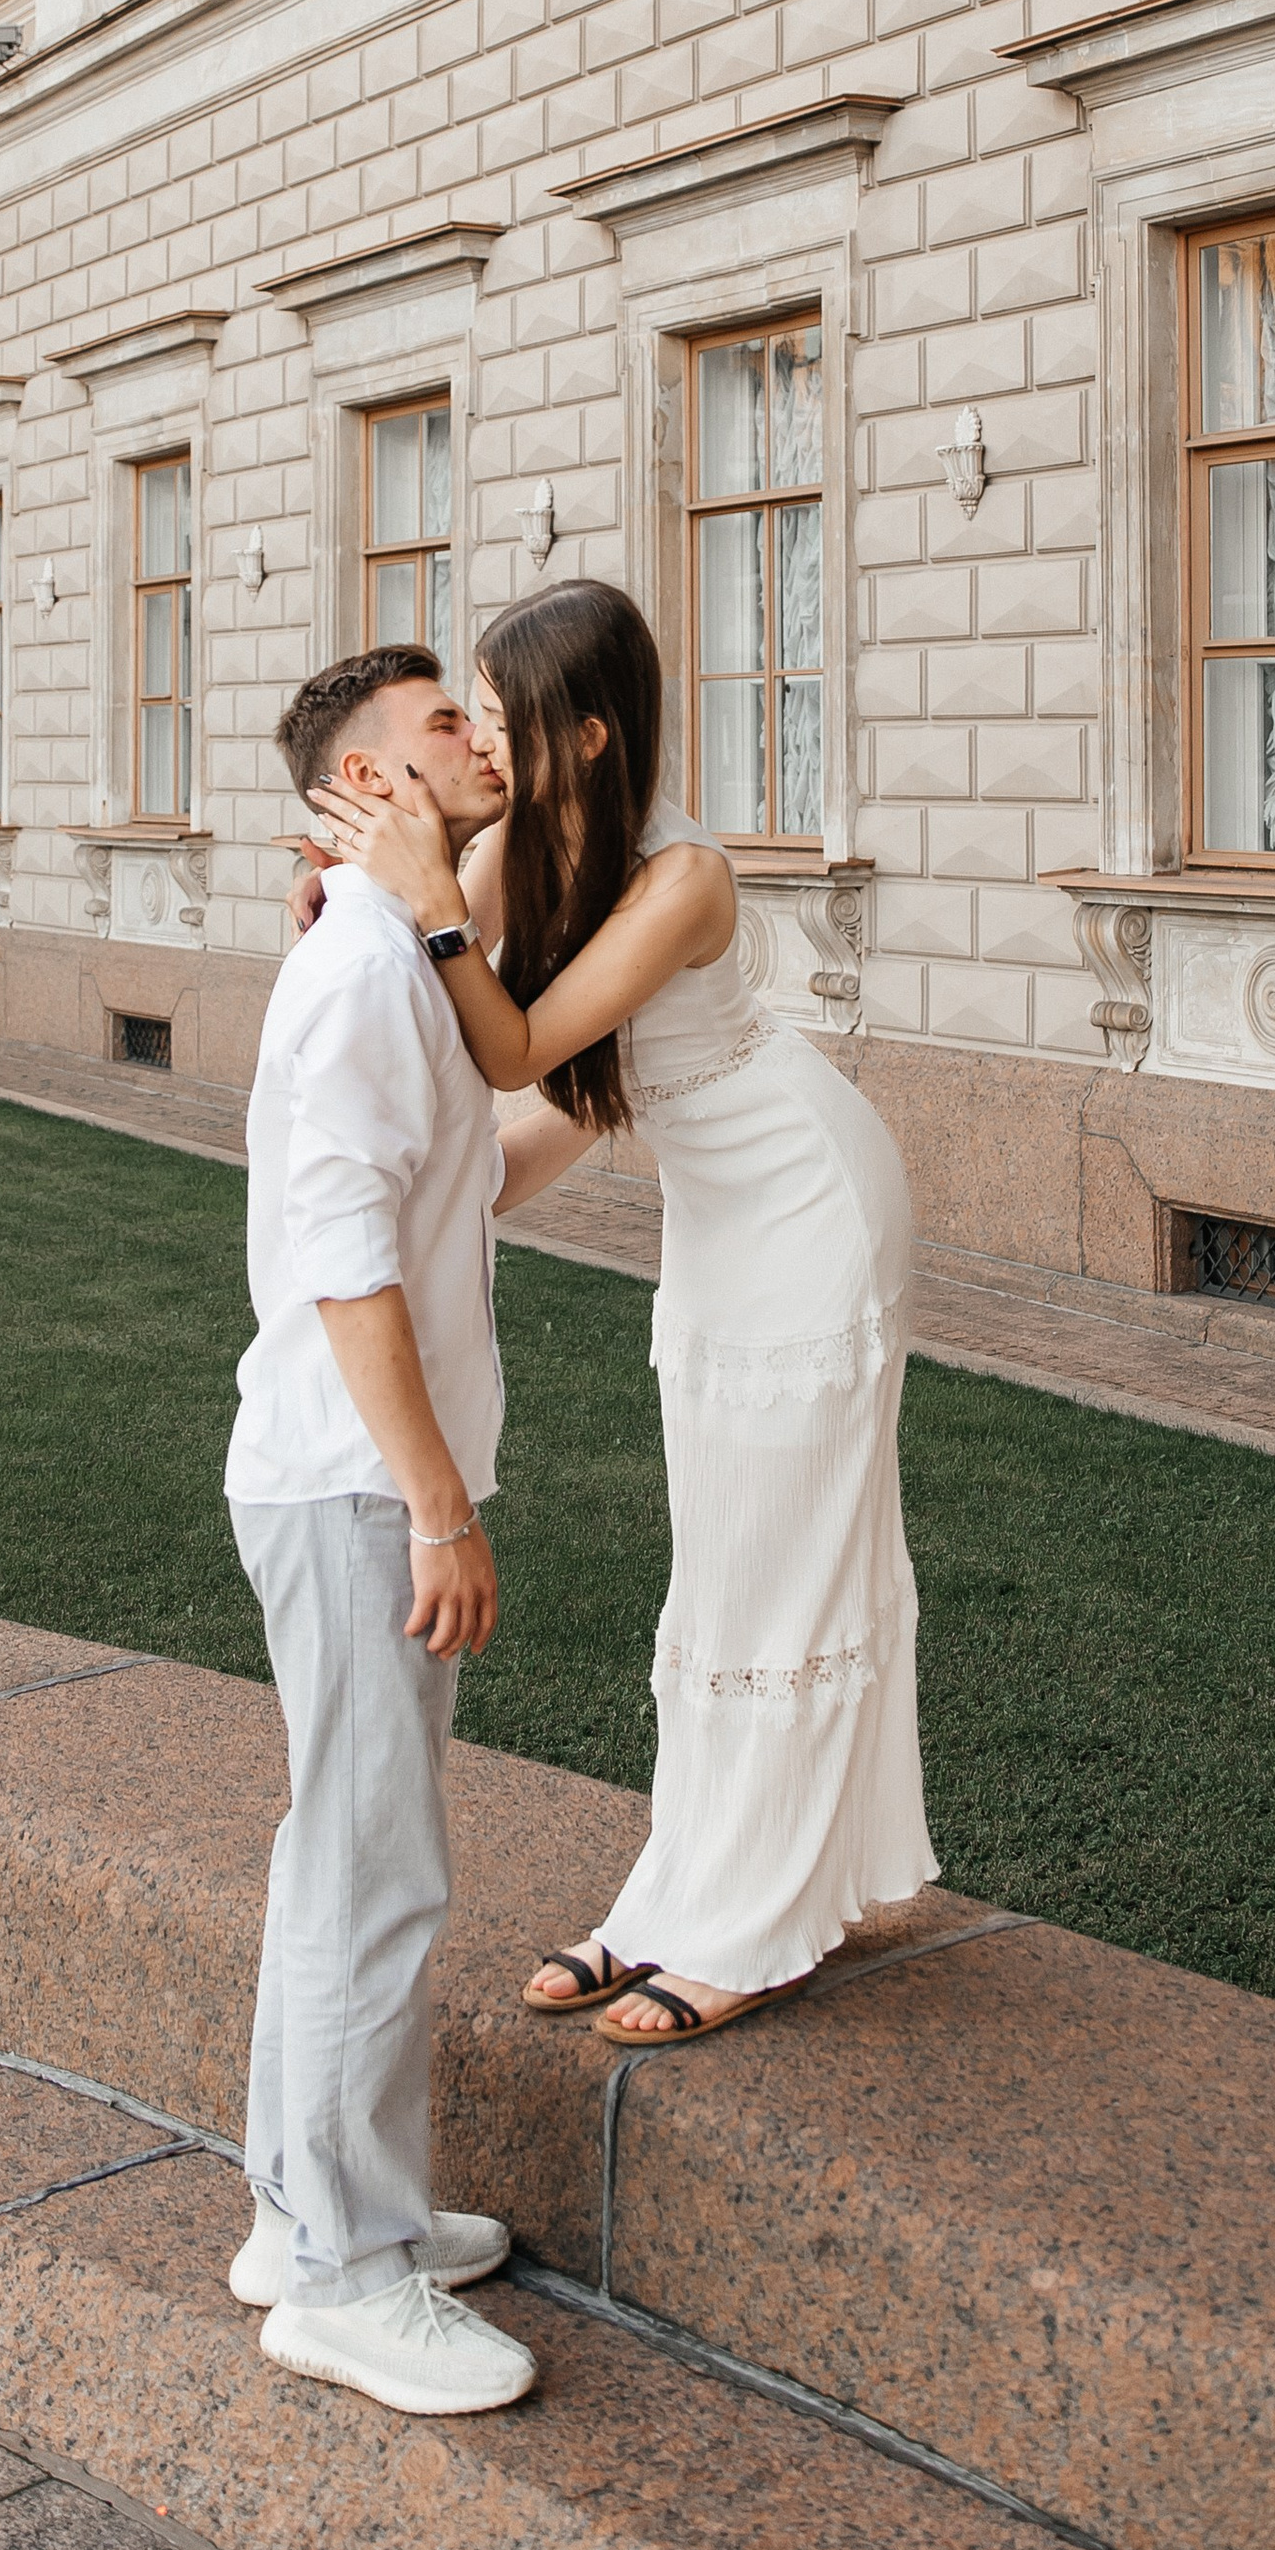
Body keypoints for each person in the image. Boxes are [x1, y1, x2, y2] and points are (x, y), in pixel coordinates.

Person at [317, 577, 936, 2049]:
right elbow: (440, 974)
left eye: (502, 714)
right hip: (716, 1226)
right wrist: (347, 889)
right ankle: (676, 1899)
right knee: (720, 1573)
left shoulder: (685, 880)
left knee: (787, 1572)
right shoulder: (529, 844)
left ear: (586, 732)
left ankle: (757, 1931)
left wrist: (434, 909)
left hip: (811, 1211)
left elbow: (516, 1041)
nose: (483, 741)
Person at [227, 641, 588, 2415]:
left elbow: (460, 1185)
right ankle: (345, 2276)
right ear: (367, 780)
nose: (482, 736)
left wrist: (597, 1104)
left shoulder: (388, 949)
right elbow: (345, 1263)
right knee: (375, 1878)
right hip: (357, 1484)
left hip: (341, 1472)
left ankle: (302, 2214)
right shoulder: (368, 966)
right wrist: (438, 1505)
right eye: (447, 722)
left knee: (342, 1859)